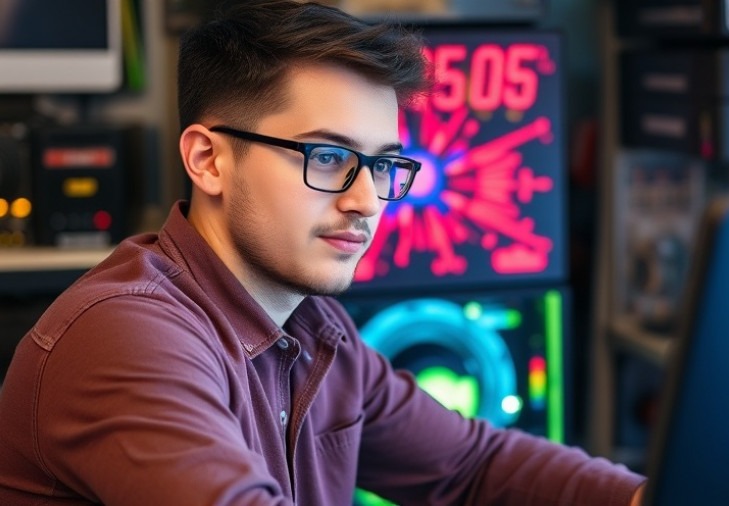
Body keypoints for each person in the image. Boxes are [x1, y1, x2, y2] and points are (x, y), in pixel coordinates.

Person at [0, 1, 646, 504]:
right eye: (329, 157)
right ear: (207, 160)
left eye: (384, 165)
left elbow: (470, 466)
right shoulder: (125, 335)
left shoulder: (313, 329)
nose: (368, 201)